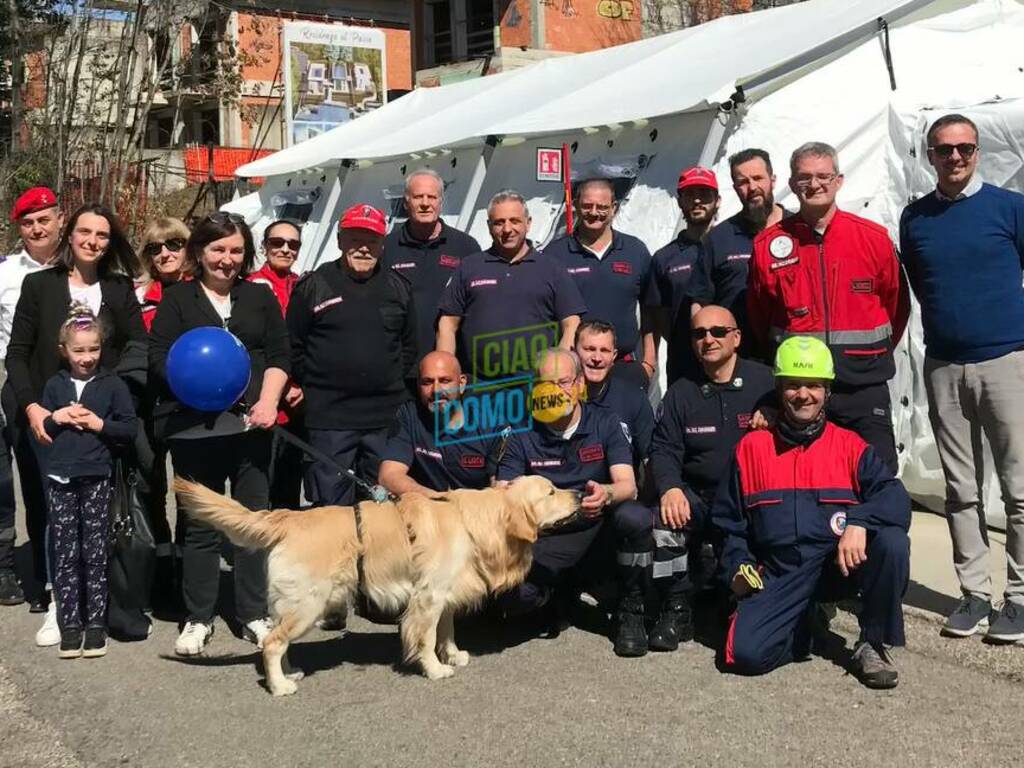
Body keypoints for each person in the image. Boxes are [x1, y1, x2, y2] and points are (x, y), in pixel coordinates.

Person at [713, 336, 911, 689]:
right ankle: (803, 624)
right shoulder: (751, 448)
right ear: (779, 389)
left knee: (892, 543)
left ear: (827, 392)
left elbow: (895, 497)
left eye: (813, 386)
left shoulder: (849, 445)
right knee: (743, 655)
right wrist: (737, 568)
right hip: (779, 571)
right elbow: (729, 524)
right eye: (793, 386)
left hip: (837, 566)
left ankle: (873, 642)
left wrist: (859, 521)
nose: (803, 395)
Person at [899, 113, 1024, 642]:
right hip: (944, 364)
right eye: (944, 149)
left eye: (965, 148)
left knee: (1019, 486)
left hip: (1006, 361)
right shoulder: (915, 218)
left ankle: (1019, 599)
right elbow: (920, 284)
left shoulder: (1009, 207)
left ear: (977, 152)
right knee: (960, 487)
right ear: (930, 155)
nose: (955, 157)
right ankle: (974, 594)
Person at [149, 211, 290, 656]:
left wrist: (268, 403)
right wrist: (195, 388)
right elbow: (158, 358)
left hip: (251, 426)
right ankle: (198, 616)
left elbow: (279, 355)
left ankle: (252, 612)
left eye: (236, 251)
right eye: (217, 249)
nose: (227, 259)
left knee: (251, 522)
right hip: (194, 428)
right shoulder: (177, 300)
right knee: (202, 526)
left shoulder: (260, 297)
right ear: (199, 252)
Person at [7, 203, 145, 647]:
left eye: (102, 235)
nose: (92, 241)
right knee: (51, 515)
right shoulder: (39, 285)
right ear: (70, 233)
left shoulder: (119, 288)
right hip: (49, 419)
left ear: (110, 242)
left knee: (98, 514)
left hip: (98, 420)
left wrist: (107, 399)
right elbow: (18, 354)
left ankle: (100, 605)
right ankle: (57, 602)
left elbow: (137, 348)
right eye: (85, 232)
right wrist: (33, 410)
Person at [747, 142, 909, 472]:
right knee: (808, 475)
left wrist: (865, 355)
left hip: (863, 384)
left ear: (839, 181)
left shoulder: (873, 239)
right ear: (791, 184)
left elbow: (897, 306)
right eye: (804, 177)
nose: (815, 184)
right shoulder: (768, 247)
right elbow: (759, 315)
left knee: (876, 474)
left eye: (824, 176)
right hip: (801, 389)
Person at [495, 348, 652, 658]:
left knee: (635, 517)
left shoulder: (605, 422)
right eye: (547, 382)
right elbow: (503, 494)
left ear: (580, 383)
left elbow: (628, 485)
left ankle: (630, 611)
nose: (557, 390)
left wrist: (606, 493)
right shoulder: (520, 432)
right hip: (546, 538)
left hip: (595, 528)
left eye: (565, 381)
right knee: (511, 599)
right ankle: (555, 595)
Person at [646, 305, 774, 651]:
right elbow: (664, 449)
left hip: (752, 498)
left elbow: (801, 413)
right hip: (699, 496)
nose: (708, 339)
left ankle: (747, 603)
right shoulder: (681, 392)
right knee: (663, 522)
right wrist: (670, 487)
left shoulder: (766, 383)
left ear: (736, 338)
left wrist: (774, 413)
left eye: (718, 332)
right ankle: (676, 607)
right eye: (699, 333)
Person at [286, 203, 416, 507]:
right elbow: (293, 345)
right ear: (340, 240)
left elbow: (409, 347)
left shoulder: (399, 287)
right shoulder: (313, 286)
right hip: (330, 420)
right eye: (355, 239)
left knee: (384, 508)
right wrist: (321, 386)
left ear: (383, 244)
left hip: (384, 419)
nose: (363, 248)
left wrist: (386, 382)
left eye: (372, 240)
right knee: (331, 509)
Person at [41, 305, 137, 658]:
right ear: (63, 350)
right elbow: (44, 430)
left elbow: (128, 428)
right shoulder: (55, 385)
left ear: (102, 347)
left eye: (93, 349)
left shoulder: (112, 384)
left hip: (96, 476)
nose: (86, 357)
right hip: (60, 477)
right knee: (66, 554)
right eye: (78, 350)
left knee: (94, 552)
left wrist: (99, 425)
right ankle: (70, 624)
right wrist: (57, 417)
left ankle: (96, 624)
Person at [437, 190, 586, 383]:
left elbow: (571, 322)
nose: (507, 229)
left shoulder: (551, 268)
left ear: (528, 223)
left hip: (538, 384)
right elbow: (447, 324)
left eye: (514, 221)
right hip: (481, 385)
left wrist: (560, 367)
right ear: (489, 226)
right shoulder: (469, 267)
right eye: (499, 222)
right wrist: (446, 374)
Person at [0, 187, 64, 607]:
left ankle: (85, 569)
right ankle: (42, 576)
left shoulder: (82, 262)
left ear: (61, 219)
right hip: (21, 389)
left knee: (78, 483)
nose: (37, 228)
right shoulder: (5, 272)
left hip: (74, 388)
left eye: (44, 219)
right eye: (28, 222)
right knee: (34, 487)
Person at [544, 179, 656, 387]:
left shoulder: (635, 251)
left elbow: (651, 309)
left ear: (614, 208)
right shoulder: (554, 254)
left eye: (602, 207)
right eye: (587, 206)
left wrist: (649, 361)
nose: (594, 213)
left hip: (623, 366)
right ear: (576, 205)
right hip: (572, 370)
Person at [134, 216, 190, 606]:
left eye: (173, 244)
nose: (165, 254)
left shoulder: (201, 293)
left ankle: (188, 567)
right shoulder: (138, 298)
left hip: (188, 405)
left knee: (188, 490)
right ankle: (161, 561)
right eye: (155, 248)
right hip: (146, 404)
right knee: (149, 488)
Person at [383, 169, 481, 358]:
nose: (425, 204)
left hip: (449, 363)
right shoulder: (387, 247)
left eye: (432, 197)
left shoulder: (465, 247)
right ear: (406, 202)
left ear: (441, 202)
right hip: (398, 363)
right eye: (418, 197)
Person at [689, 148, 787, 333]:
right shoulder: (717, 239)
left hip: (794, 350)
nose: (752, 188)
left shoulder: (798, 230)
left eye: (758, 178)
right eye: (742, 182)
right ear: (735, 188)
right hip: (739, 355)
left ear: (772, 181)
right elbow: (700, 301)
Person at [378, 350, 499, 496]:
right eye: (427, 382)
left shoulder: (490, 425)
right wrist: (438, 501)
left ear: (461, 384)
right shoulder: (410, 415)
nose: (436, 390)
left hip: (474, 512)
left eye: (445, 381)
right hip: (427, 509)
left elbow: (498, 490)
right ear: (418, 385)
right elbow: (389, 476)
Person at [248, 220, 304, 509]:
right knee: (259, 482)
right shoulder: (250, 287)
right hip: (265, 396)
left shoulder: (303, 285)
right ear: (264, 246)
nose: (285, 249)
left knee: (290, 480)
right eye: (277, 242)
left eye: (292, 244)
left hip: (297, 402)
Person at [646, 167, 720, 384]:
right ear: (680, 202)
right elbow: (656, 316)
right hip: (683, 366)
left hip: (733, 363)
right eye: (689, 195)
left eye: (705, 194)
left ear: (718, 200)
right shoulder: (664, 258)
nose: (697, 200)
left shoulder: (730, 246)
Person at [573, 320, 653, 477]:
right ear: (574, 351)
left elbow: (652, 458)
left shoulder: (633, 398)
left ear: (614, 356)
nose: (597, 357)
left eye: (604, 350)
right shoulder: (559, 397)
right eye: (589, 349)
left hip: (620, 493)